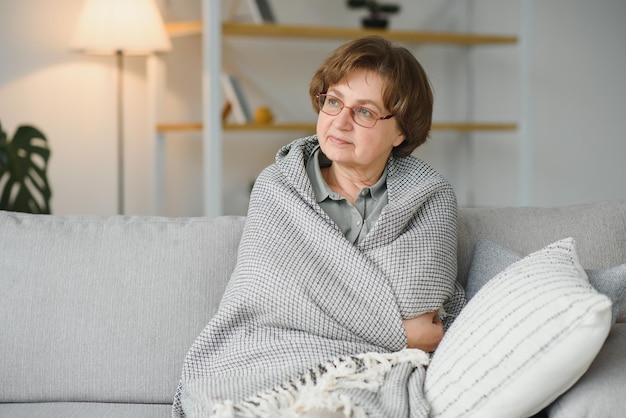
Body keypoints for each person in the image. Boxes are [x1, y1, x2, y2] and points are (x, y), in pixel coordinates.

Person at [173, 35, 465, 418]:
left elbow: (420, 305)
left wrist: (335, 310)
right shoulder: (277, 187)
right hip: (267, 357)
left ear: (401, 131)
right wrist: (400, 332)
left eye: (364, 112)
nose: (340, 122)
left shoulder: (429, 196)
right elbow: (268, 302)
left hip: (361, 374)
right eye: (333, 101)